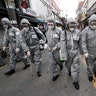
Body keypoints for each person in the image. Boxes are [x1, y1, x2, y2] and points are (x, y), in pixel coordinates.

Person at [60, 17, 80, 90]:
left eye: (73, 26)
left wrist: (83, 53)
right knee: (68, 66)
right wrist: (64, 56)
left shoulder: (78, 32)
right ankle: (69, 70)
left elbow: (80, 43)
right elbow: (63, 45)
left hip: (75, 53)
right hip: (67, 53)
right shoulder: (64, 33)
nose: (72, 27)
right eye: (70, 25)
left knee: (75, 68)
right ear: (68, 25)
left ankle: (75, 81)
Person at [81, 14, 96, 82]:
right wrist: (85, 51)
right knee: (89, 65)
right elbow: (83, 42)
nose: (93, 24)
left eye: (95, 23)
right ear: (89, 22)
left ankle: (95, 72)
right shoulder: (85, 31)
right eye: (92, 23)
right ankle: (90, 75)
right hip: (89, 52)